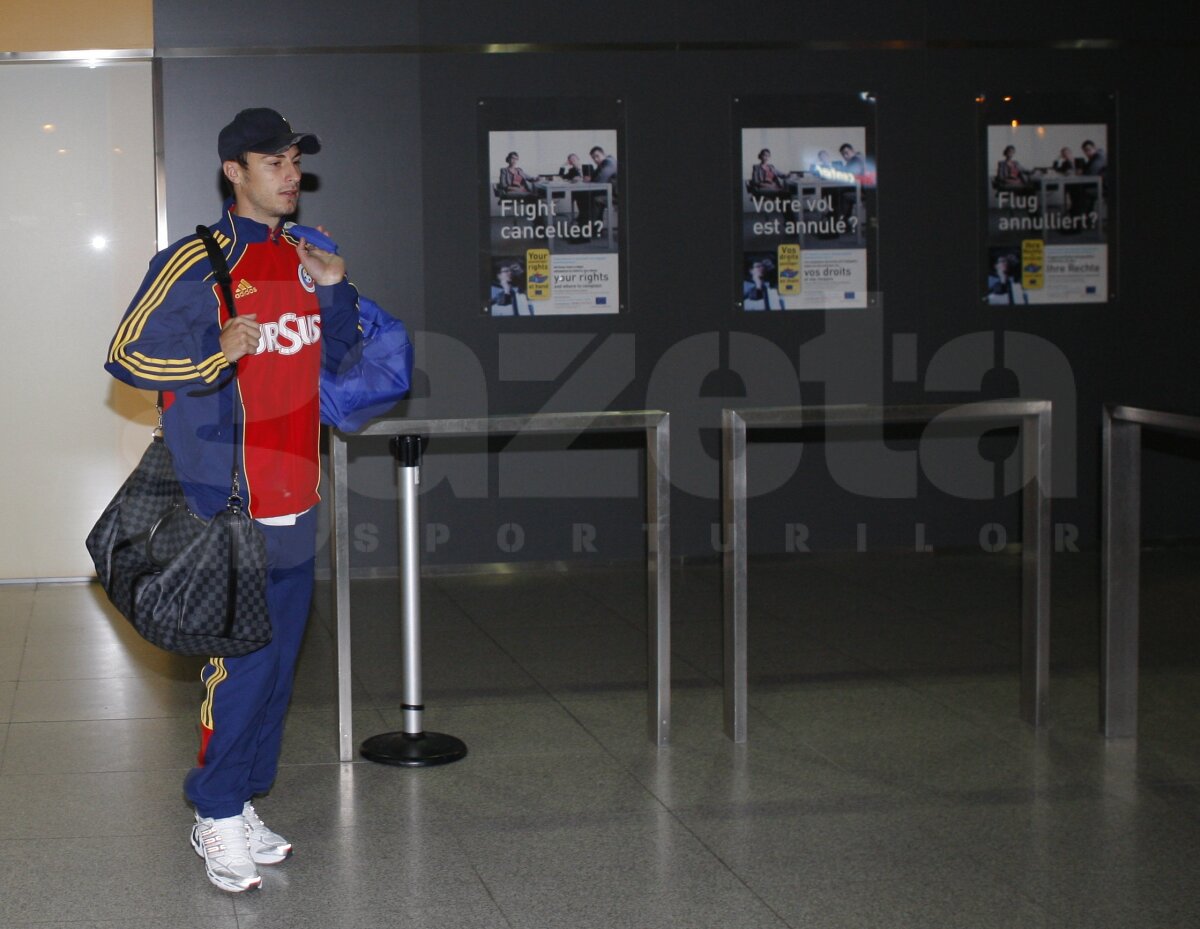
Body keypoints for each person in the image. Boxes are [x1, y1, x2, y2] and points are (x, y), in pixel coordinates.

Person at [103, 107, 361, 894]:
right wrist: (212, 355)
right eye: (273, 161)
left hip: (298, 495)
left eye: (295, 160)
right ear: (234, 172)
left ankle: (243, 797)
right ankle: (213, 809)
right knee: (239, 665)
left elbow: (340, 359)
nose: (291, 174)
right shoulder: (195, 259)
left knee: (278, 667)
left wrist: (339, 292)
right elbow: (126, 352)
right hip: (232, 503)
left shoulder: (303, 255)